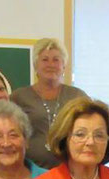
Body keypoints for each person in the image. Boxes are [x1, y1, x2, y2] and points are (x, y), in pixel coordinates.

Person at [11, 38, 88, 169]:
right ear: (36, 65)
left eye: (56, 60)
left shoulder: (77, 96)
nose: (50, 64)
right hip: (30, 171)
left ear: (63, 65)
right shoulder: (19, 97)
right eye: (45, 59)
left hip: (70, 170)